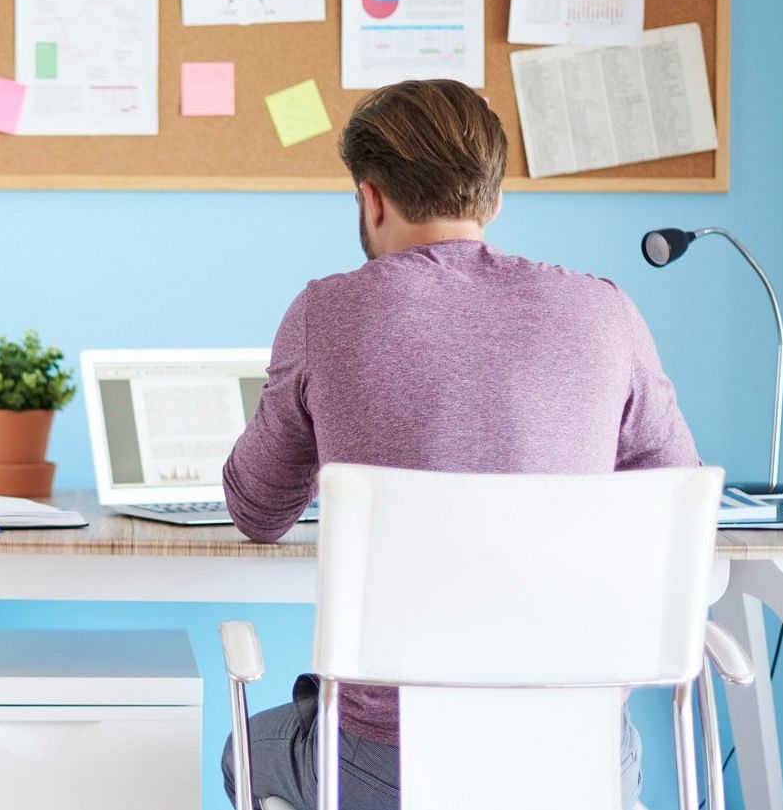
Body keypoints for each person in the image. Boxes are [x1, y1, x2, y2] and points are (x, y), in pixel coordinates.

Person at [219, 79, 699, 809]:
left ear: (371, 197)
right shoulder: (605, 310)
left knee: (244, 749)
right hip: (583, 763)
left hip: (389, 771)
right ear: (493, 198)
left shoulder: (328, 312)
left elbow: (257, 510)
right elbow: (674, 492)